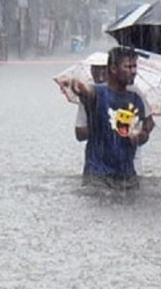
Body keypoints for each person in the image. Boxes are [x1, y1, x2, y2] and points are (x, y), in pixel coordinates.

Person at [58, 46, 155, 190]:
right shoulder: (98, 93)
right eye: (128, 67)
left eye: (135, 66)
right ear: (114, 69)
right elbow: (86, 92)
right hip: (98, 176)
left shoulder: (135, 98)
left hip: (127, 176)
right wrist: (75, 85)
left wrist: (140, 136)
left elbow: (145, 130)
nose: (133, 71)